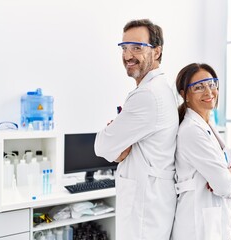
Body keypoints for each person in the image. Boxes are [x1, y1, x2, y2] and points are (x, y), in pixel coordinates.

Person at [94, 19, 179, 240]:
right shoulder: (157, 90)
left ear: (157, 52)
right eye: (124, 48)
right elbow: (112, 147)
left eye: (137, 48)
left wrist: (117, 141)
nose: (128, 55)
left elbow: (101, 145)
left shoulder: (148, 95)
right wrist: (120, 144)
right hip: (150, 202)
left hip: (144, 208)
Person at [171, 63, 231, 240]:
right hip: (197, 227)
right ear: (184, 95)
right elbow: (225, 186)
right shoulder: (191, 131)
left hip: (212, 221)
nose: (209, 91)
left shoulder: (208, 125)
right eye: (199, 87)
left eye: (212, 84)